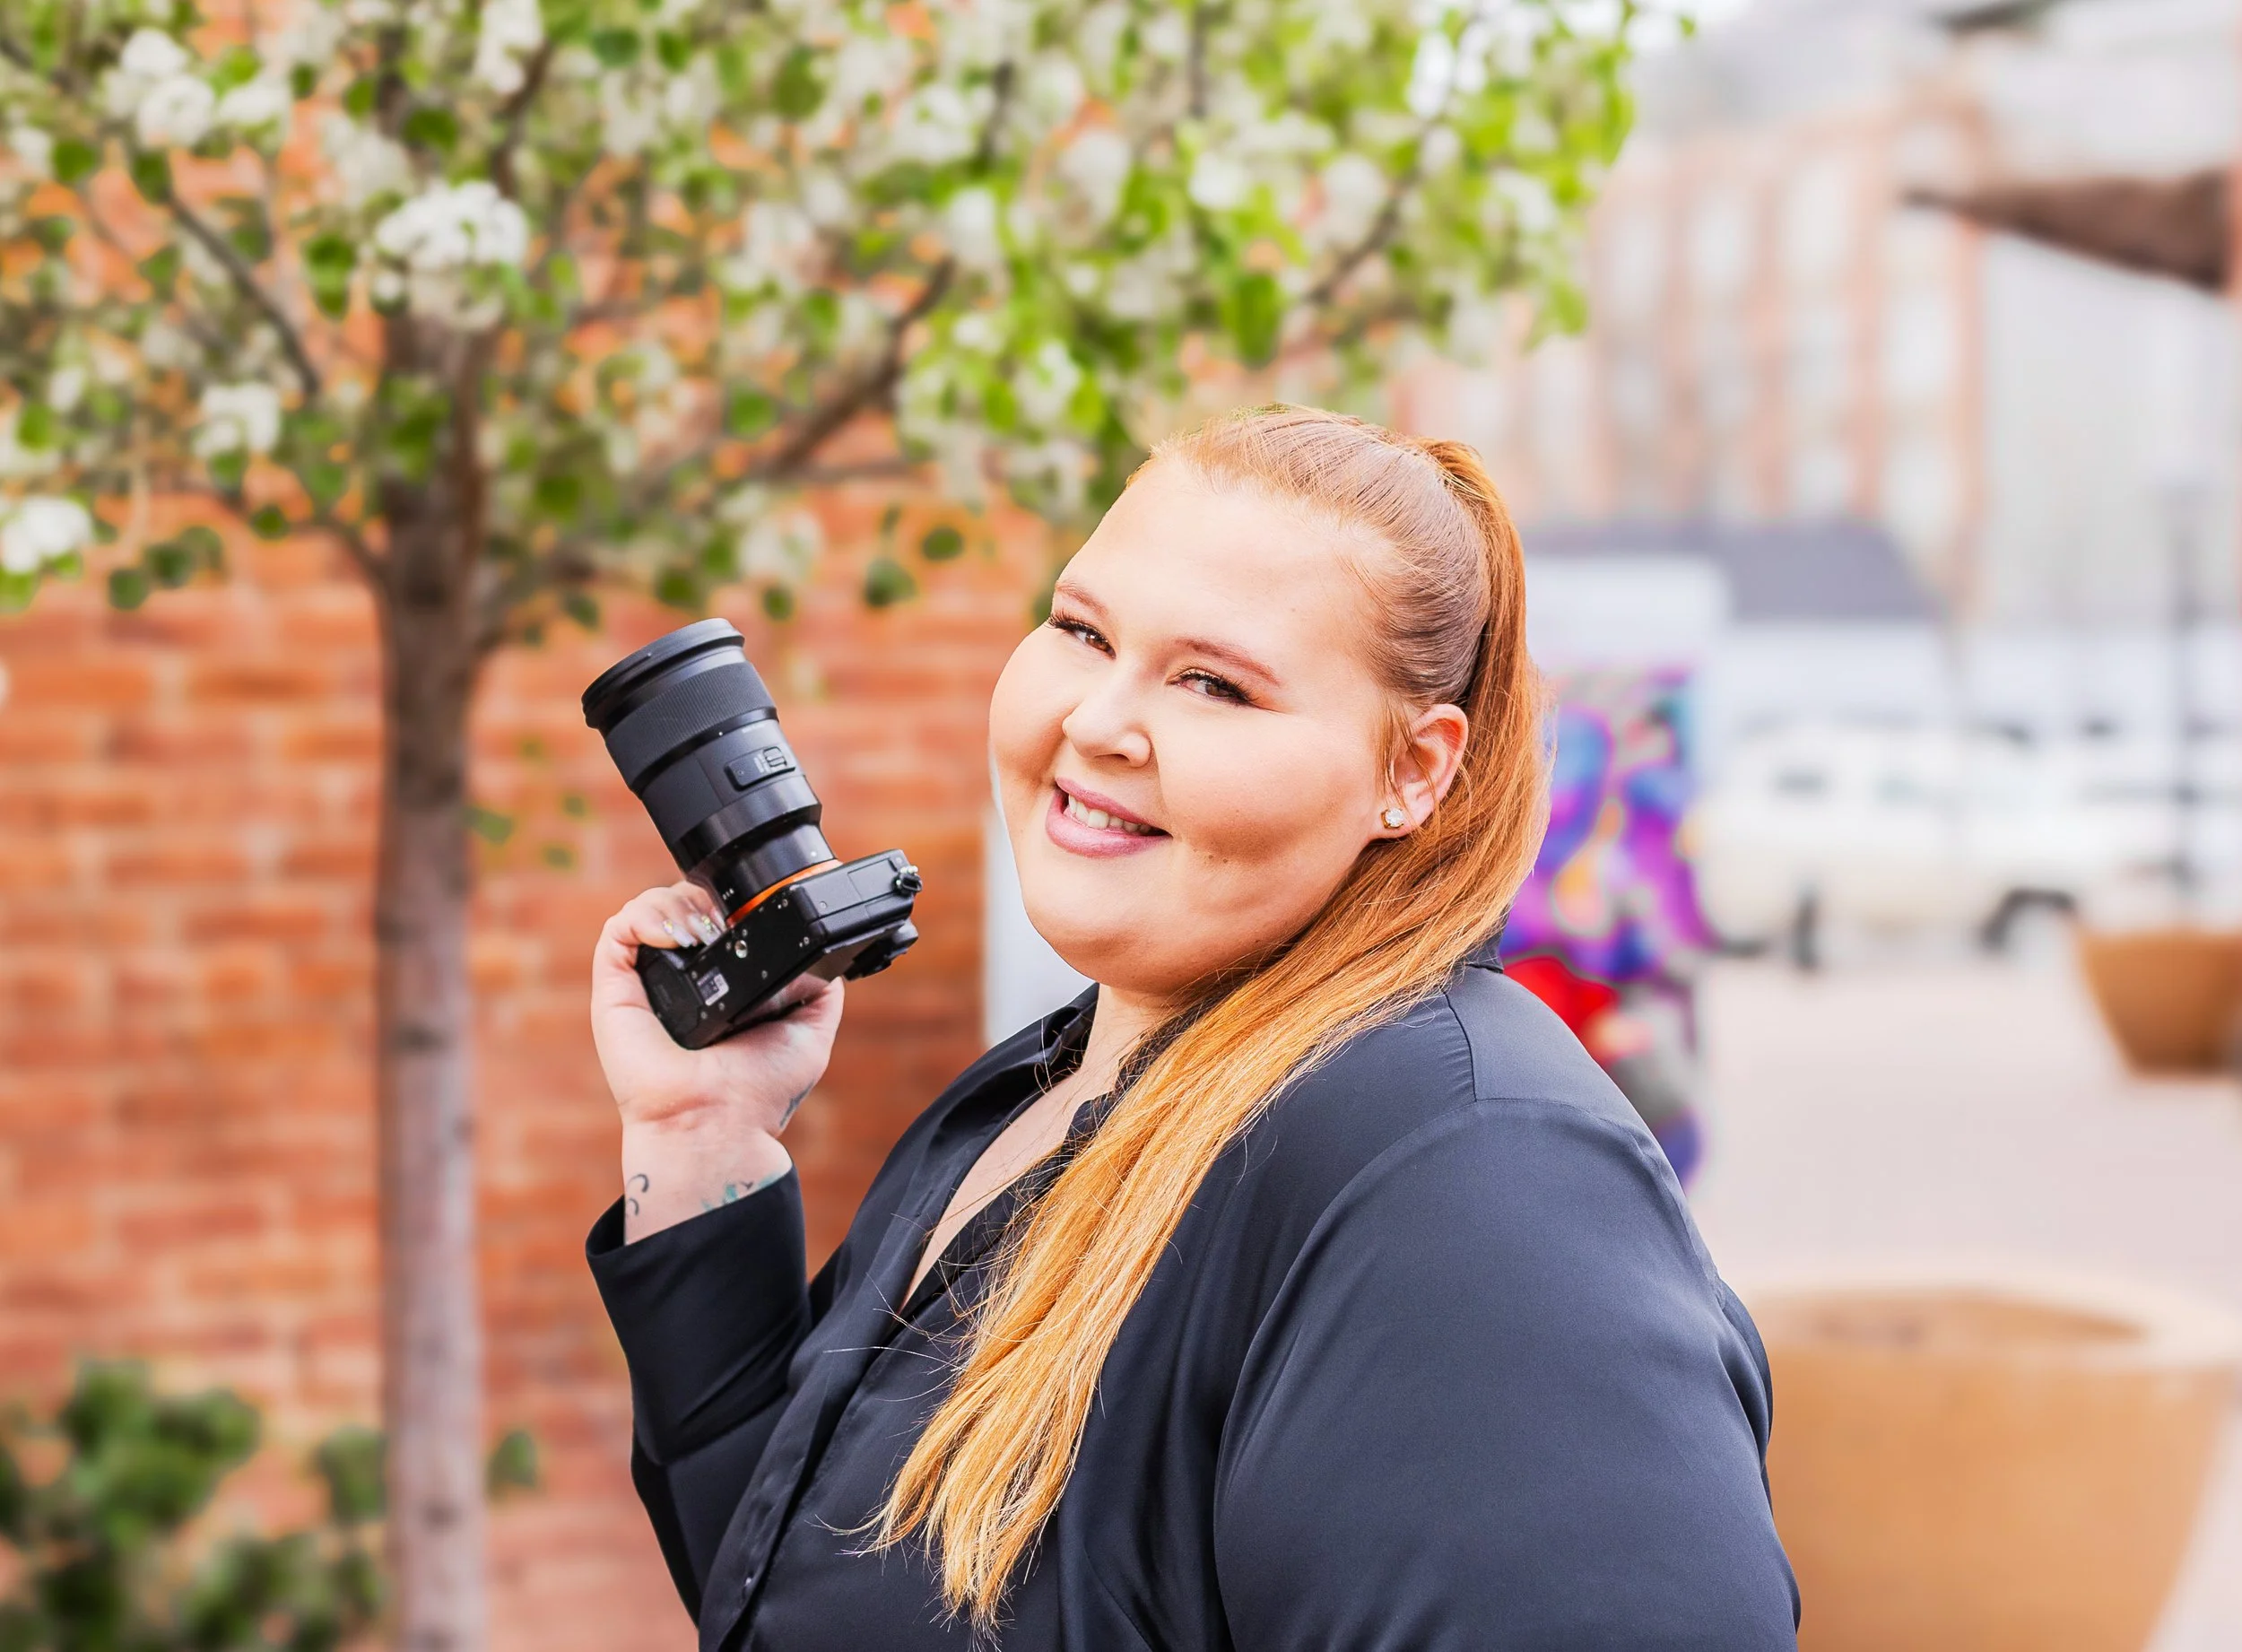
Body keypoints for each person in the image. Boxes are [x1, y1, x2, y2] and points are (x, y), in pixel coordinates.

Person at [586, 406, 1800, 1651]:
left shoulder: (1473, 1175)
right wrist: (699, 1135)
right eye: (1080, 630)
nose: (1098, 721)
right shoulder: (1035, 1093)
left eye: (1214, 683)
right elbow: (791, 1593)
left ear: (1414, 770)